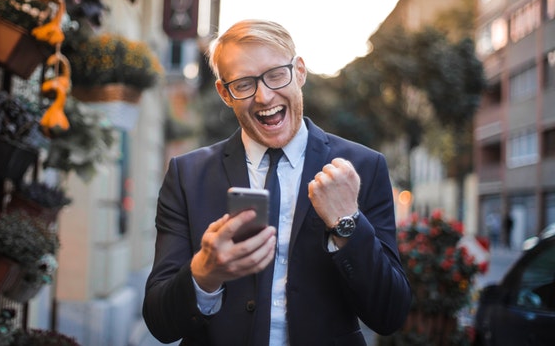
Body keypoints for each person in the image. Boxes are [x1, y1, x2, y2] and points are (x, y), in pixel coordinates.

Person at [143, 19, 412, 345]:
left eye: (275, 75)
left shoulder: (363, 168)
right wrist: (204, 272)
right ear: (225, 93)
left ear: (299, 71)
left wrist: (347, 223)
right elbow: (160, 323)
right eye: (243, 84)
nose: (264, 96)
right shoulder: (187, 175)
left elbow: (389, 314)